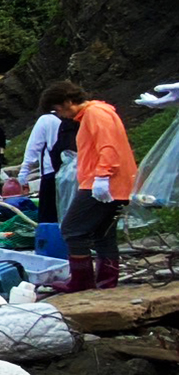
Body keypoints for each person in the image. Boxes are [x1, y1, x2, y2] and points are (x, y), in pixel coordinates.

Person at [38, 80, 138, 292]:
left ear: (67, 101)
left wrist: (102, 176)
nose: (60, 115)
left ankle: (81, 281)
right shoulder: (99, 112)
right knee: (103, 233)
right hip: (115, 183)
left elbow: (108, 146)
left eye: (58, 109)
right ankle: (107, 282)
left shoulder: (95, 114)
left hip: (103, 183)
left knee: (72, 229)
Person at [18, 107, 78, 224]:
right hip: (74, 172)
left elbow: (34, 146)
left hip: (50, 172)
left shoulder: (46, 119)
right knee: (68, 210)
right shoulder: (76, 118)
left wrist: (24, 171)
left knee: (48, 215)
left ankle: (51, 239)